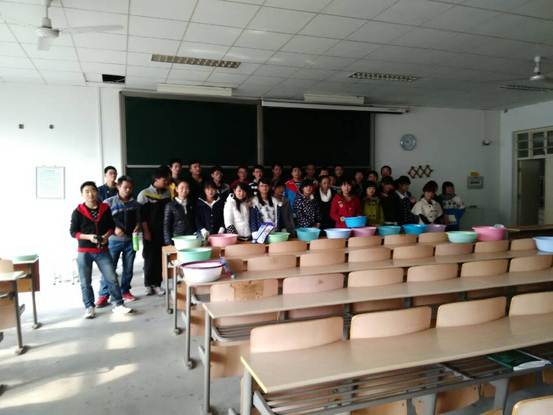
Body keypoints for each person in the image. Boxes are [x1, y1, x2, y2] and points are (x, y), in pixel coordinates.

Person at [70, 181, 132, 318]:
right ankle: (89, 307)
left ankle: (118, 304)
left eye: (93, 190)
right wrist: (89, 237)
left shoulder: (105, 208)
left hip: (102, 250)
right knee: (85, 281)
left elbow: (111, 227)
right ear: (82, 194)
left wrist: (106, 237)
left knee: (111, 277)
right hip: (84, 252)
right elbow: (73, 232)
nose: (90, 194)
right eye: (87, 191)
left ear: (97, 192)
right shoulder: (78, 212)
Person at [98, 176, 141, 305]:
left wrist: (137, 227)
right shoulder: (108, 203)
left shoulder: (135, 204)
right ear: (118, 187)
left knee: (128, 268)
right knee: (109, 268)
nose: (128, 190)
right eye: (125, 187)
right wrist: (113, 228)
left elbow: (139, 220)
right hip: (113, 241)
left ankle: (125, 291)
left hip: (130, 241)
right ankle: (104, 294)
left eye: (130, 188)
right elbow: (101, 222)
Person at [137, 166, 171, 296]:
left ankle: (157, 284)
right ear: (156, 179)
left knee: (160, 259)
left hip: (163, 232)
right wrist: (146, 232)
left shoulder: (167, 193)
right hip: (150, 231)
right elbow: (142, 216)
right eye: (164, 179)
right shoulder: (144, 194)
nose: (167, 182)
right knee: (149, 258)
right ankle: (148, 284)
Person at [163, 180, 196, 245]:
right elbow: (166, 225)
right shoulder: (170, 205)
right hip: (178, 237)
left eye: (187, 188)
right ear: (177, 189)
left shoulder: (192, 203)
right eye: (182, 188)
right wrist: (168, 241)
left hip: (192, 237)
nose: (184, 190)